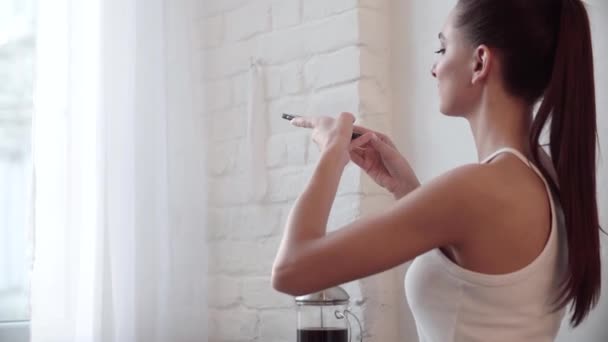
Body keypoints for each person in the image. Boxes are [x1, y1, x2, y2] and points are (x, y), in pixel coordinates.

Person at [271, 0, 602, 340]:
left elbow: (292, 271)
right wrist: (406, 190)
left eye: (442, 48)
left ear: (480, 61)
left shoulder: (478, 189)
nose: (434, 68)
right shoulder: (544, 176)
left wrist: (332, 152)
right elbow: (484, 288)